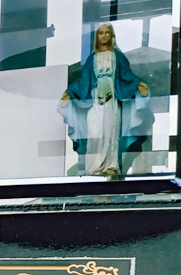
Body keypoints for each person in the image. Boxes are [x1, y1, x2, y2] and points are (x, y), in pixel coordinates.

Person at [58, 23, 151, 178]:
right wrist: (70, 92)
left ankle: (111, 164)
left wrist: (138, 83)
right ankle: (93, 166)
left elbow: (126, 75)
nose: (104, 36)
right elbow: (83, 80)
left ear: (112, 35)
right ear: (97, 36)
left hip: (112, 100)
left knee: (111, 130)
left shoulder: (118, 56)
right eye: (101, 33)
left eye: (107, 33)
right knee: (95, 130)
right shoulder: (91, 59)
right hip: (95, 99)